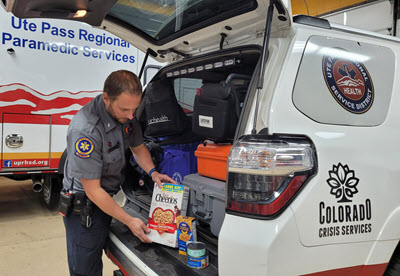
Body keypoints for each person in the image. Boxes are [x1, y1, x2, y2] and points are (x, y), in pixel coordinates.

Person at [62, 70, 175, 276]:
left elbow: (138, 146)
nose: (131, 116)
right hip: (84, 209)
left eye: (135, 109)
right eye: (125, 109)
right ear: (106, 98)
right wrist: (130, 220)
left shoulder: (125, 112)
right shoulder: (86, 131)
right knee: (86, 270)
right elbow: (93, 191)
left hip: (107, 202)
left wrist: (152, 172)